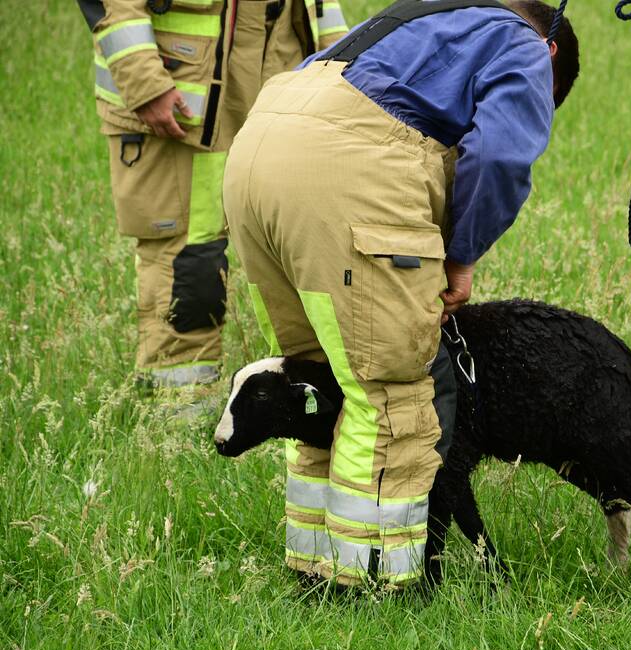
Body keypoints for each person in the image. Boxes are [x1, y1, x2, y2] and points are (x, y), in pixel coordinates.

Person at [222, 0, 579, 586]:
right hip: (341, 170)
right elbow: (497, 154)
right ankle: (377, 585)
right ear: (552, 53)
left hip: (258, 151)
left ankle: (314, 566)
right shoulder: (525, 44)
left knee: (317, 379)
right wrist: (461, 255)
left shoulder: (422, 18)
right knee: (389, 393)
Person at [78, 0, 348, 393]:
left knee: (301, 247)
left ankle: (302, 391)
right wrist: (145, 84)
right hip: (183, 96)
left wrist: (342, 79)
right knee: (190, 254)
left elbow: (321, 9)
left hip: (286, 77)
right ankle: (179, 402)